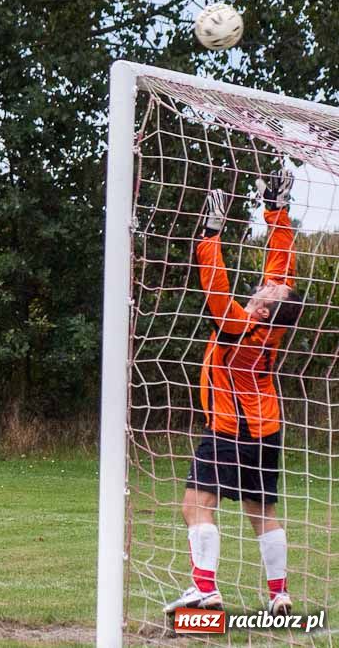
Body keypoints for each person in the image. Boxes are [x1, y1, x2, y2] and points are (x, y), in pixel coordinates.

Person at [164, 171, 303, 618]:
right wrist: (276, 210)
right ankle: (279, 595)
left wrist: (210, 235)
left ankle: (205, 595)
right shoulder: (274, 323)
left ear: (262, 307)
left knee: (195, 506)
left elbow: (215, 283)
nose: (269, 282)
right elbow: (282, 265)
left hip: (229, 427)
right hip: (268, 427)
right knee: (262, 511)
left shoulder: (236, 324)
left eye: (269, 289)